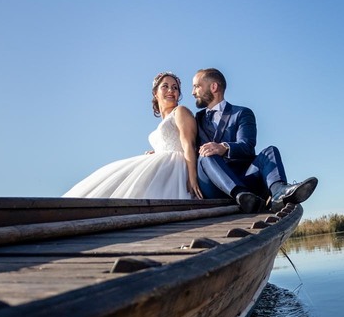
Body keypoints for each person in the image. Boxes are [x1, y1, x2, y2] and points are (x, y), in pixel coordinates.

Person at [192, 68, 317, 213]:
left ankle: (279, 192)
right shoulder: (196, 120)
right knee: (206, 154)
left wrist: (224, 147)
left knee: (270, 151)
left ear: (213, 87)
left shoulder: (242, 113)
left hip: (244, 178)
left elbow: (247, 146)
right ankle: (241, 196)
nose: (193, 92)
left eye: (196, 86)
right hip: (213, 184)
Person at [63, 72, 203, 199]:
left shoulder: (180, 111)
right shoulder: (164, 121)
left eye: (175, 88)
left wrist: (192, 177)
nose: (171, 90)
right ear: (155, 93)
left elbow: (188, 144)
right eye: (165, 86)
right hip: (163, 165)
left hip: (178, 168)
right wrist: (157, 153)